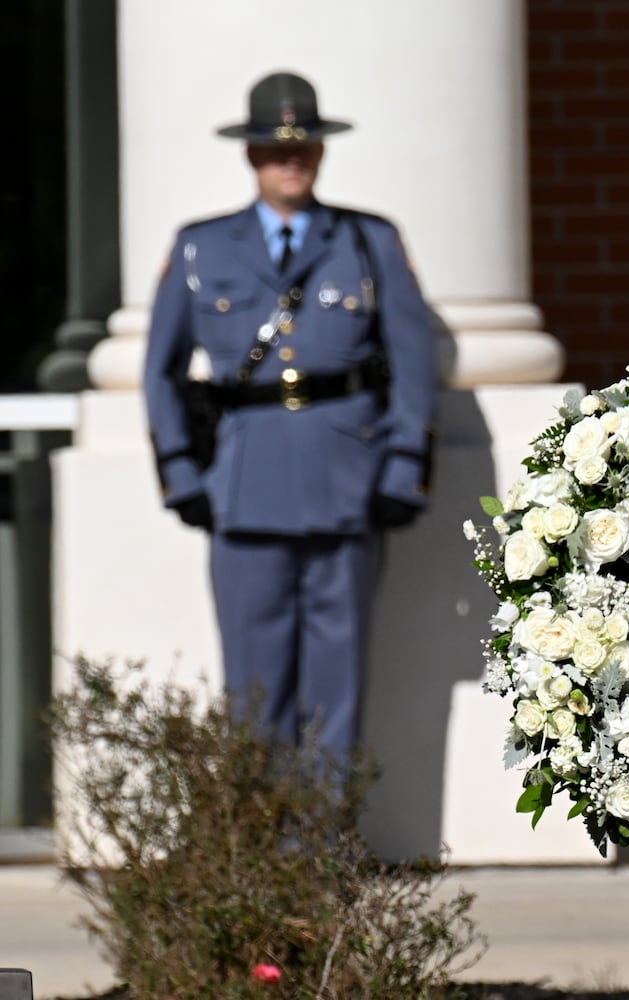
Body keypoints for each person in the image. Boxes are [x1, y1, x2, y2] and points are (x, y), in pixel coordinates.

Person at [143, 71, 436, 758]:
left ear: (321, 152)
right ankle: (261, 851)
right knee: (252, 684)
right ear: (250, 156)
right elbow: (158, 371)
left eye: (303, 147)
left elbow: (413, 360)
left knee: (339, 682)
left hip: (348, 480)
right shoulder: (200, 247)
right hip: (242, 486)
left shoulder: (368, 242)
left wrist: (402, 469)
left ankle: (326, 850)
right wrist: (181, 475)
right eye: (276, 150)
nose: (290, 160)